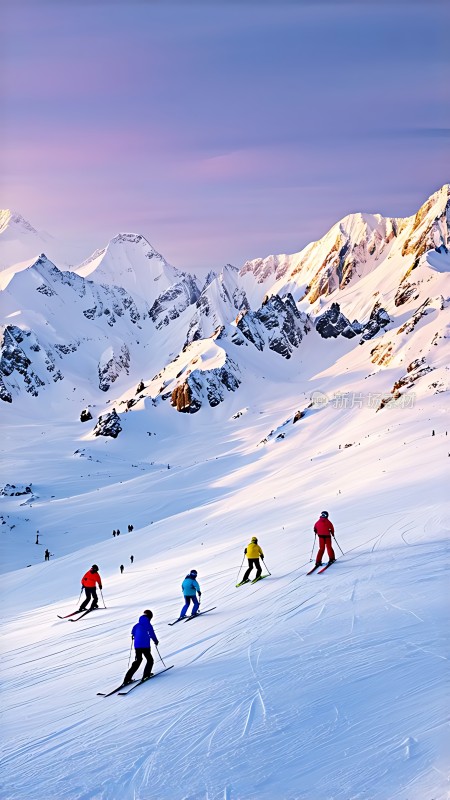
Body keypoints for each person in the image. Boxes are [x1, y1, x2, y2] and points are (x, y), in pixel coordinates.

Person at [123, 610, 159, 685]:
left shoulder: (136, 625)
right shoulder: (148, 624)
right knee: (150, 660)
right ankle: (146, 675)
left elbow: (132, 633)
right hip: (145, 645)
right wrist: (155, 641)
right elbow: (152, 634)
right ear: (149, 617)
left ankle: (127, 678)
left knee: (138, 660)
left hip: (137, 646)